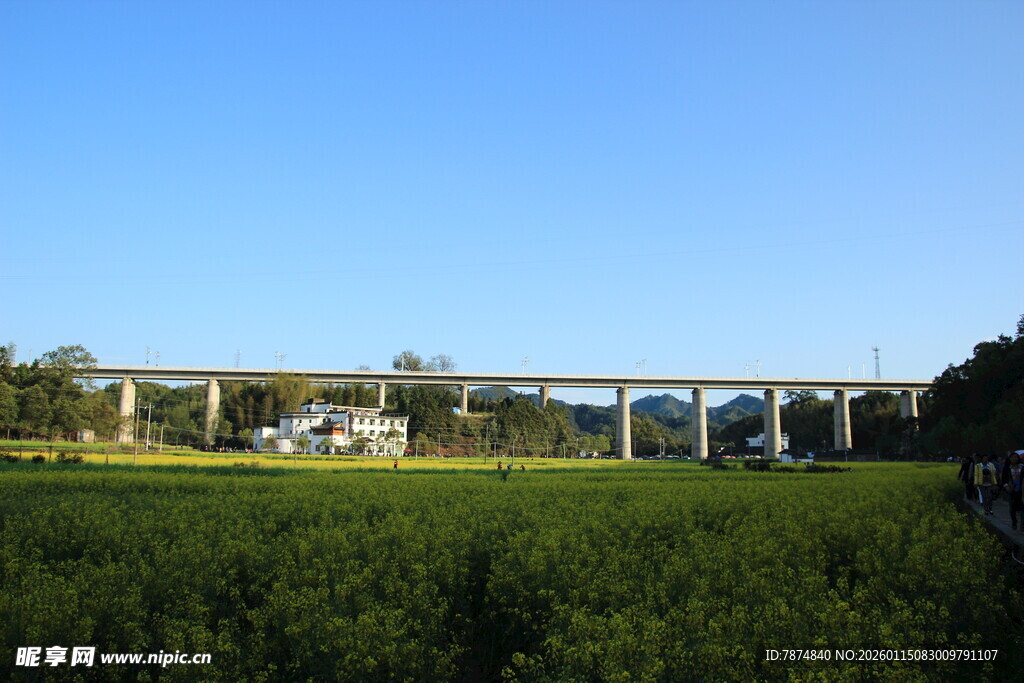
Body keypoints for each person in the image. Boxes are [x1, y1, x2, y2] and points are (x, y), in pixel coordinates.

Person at [1002, 452, 1023, 530]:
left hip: (1021, 489)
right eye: (1012, 457)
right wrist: (1006, 486)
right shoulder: (1007, 468)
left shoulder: (1022, 467)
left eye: (1016, 457)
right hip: (1012, 489)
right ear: (1010, 459)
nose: (1014, 459)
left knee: (1022, 507)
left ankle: (1022, 524)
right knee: (1012, 507)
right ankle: (1014, 522)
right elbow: (1004, 479)